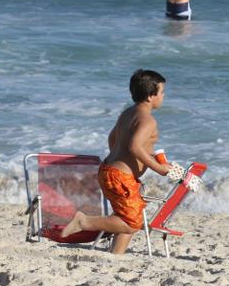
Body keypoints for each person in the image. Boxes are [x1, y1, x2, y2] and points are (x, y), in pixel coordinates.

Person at [61, 70, 186, 254]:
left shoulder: (128, 113)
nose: (163, 96)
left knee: (127, 215)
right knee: (131, 223)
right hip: (120, 177)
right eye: (161, 92)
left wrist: (123, 161)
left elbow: (113, 139)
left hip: (109, 170)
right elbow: (134, 146)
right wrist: (159, 168)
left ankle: (115, 257)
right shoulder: (148, 120)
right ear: (151, 96)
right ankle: (84, 221)